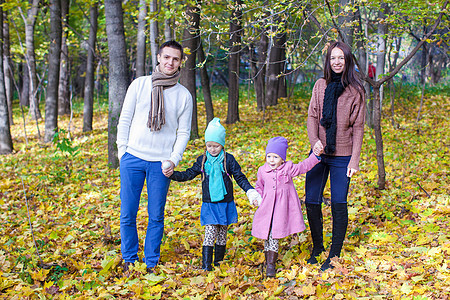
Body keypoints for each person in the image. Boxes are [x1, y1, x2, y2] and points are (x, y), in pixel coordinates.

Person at [116, 40, 193, 274]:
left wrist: (173, 159)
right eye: (167, 57)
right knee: (128, 213)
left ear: (181, 62)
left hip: (161, 164)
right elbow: (125, 119)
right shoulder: (139, 85)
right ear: (159, 57)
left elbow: (183, 132)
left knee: (156, 216)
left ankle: (151, 263)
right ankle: (129, 259)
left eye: (176, 59)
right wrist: (122, 153)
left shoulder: (183, 96)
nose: (170, 62)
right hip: (133, 158)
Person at [166, 118, 261, 271]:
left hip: (225, 202)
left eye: (216, 146)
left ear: (222, 144)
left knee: (222, 233)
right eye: (209, 145)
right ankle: (206, 265)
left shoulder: (228, 160)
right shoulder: (203, 160)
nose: (212, 149)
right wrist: (172, 175)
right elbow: (189, 174)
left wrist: (250, 191)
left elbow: (239, 177)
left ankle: (218, 263)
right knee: (210, 231)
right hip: (209, 204)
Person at [305, 41, 365, 271]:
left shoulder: (356, 91)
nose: (337, 62)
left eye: (341, 58)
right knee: (311, 200)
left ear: (347, 60)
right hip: (319, 152)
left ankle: (334, 254)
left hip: (343, 155)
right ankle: (318, 247)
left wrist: (355, 160)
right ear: (328, 61)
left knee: (339, 203)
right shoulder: (320, 86)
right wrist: (314, 142)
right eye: (333, 58)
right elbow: (312, 116)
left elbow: (358, 127)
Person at [251, 137, 323, 277]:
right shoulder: (262, 171)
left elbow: (303, 166)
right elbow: (259, 186)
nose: (271, 160)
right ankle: (269, 261)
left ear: (282, 159)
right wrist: (257, 198)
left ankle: (270, 266)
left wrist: (315, 156)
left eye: (275, 157)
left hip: (281, 210)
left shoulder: (288, 168)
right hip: (267, 209)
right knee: (268, 234)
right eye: (269, 156)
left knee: (273, 235)